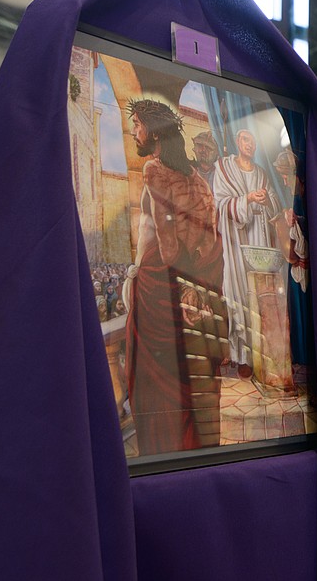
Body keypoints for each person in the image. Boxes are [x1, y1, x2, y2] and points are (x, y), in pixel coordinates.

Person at [123, 99, 227, 455]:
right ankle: (197, 449)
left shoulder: (154, 171)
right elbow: (209, 244)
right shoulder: (198, 182)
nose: (134, 131)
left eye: (137, 124)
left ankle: (165, 453)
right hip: (193, 286)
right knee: (189, 372)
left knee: (160, 378)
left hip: (160, 286)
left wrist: (138, 276)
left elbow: (165, 245)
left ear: (151, 131)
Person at [212, 128, 281, 376]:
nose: (249, 144)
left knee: (261, 295)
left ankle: (264, 354)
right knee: (238, 292)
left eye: (252, 141)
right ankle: (243, 356)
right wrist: (246, 199)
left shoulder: (262, 174)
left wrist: (265, 201)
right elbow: (219, 203)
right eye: (245, 140)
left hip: (258, 240)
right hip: (235, 243)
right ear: (237, 142)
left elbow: (274, 203)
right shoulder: (224, 168)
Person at [271, 149, 309, 292]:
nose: (285, 183)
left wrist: (298, 219)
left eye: (286, 177)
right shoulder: (296, 196)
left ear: (296, 174)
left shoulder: (309, 193)